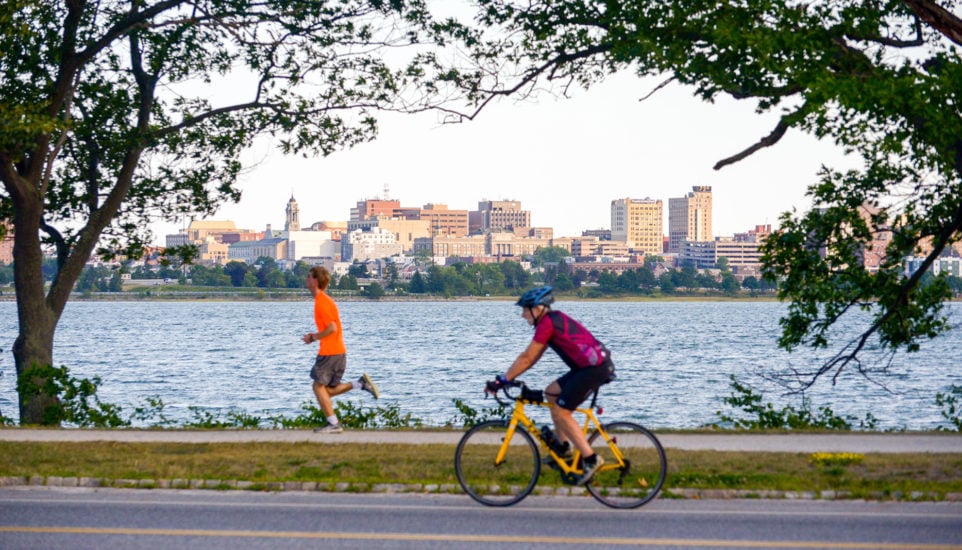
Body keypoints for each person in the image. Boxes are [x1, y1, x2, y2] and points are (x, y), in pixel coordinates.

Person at [486, 286, 615, 485]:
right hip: (587, 367)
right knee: (551, 393)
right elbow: (534, 357)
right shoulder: (552, 321)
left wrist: (502, 380)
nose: (522, 315)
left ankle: (591, 459)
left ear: (537, 309)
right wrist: (509, 377)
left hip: (593, 369)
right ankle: (564, 448)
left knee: (562, 412)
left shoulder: (547, 324)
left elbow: (527, 358)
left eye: (525, 310)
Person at [303, 265, 380, 433]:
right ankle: (360, 384)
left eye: (309, 277)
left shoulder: (322, 302)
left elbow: (332, 328)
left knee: (317, 387)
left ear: (316, 280)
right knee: (327, 392)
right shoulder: (322, 300)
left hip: (330, 352)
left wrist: (313, 337)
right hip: (337, 352)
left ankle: (333, 424)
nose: (306, 279)